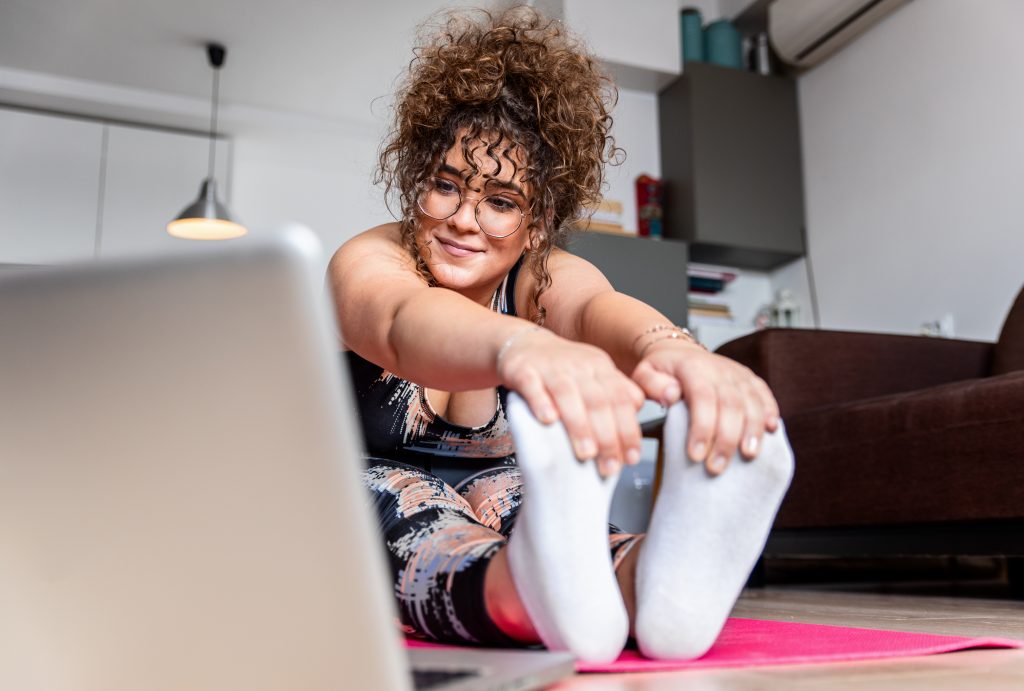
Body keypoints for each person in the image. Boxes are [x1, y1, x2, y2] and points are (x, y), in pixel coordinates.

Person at [328, 5, 793, 664]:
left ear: (538, 221)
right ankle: (521, 592)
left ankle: (659, 588)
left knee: (545, 517)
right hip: (378, 479)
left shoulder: (539, 277)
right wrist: (523, 347)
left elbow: (597, 310)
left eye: (499, 201)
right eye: (446, 185)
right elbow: (403, 322)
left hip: (506, 483)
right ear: (415, 181)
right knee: (416, 521)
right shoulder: (372, 259)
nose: (464, 218)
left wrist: (676, 352)